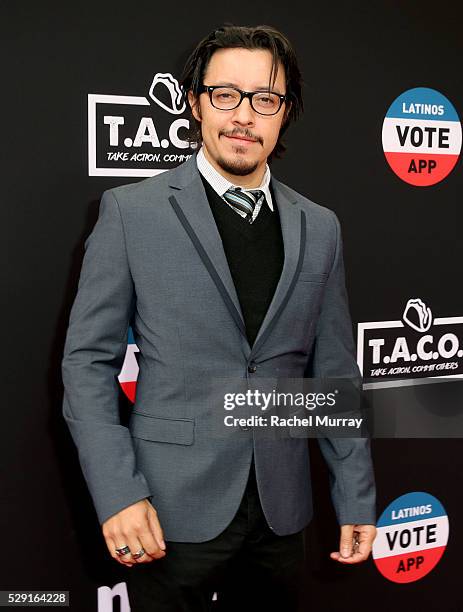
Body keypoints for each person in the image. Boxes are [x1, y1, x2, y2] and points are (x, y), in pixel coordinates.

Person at [62, 23, 376, 612]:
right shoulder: (132, 213)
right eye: (225, 94)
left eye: (265, 99)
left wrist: (355, 497)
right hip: (166, 508)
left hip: (282, 511)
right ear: (196, 102)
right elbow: (87, 365)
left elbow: (335, 373)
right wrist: (117, 493)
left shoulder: (321, 227)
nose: (244, 116)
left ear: (285, 114)